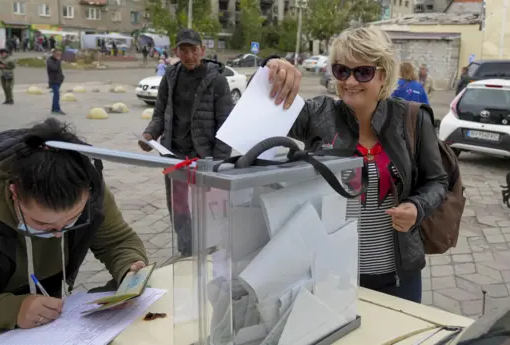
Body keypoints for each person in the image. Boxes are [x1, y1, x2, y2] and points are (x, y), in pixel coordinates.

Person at [257, 25, 448, 303]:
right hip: (330, 273)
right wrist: (272, 68)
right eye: (342, 70)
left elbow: (437, 181)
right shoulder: (317, 114)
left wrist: (418, 207)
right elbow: (263, 106)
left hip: (397, 275)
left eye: (363, 72)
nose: (350, 81)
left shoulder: (412, 118)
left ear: (383, 74)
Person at [0, 118, 148, 340]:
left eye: (72, 220)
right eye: (42, 225)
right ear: (14, 193)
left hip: (47, 323)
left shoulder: (85, 188)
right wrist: (10, 310)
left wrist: (129, 268)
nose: (59, 233)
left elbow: (117, 241)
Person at [139, 28, 234, 257]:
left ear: (202, 50)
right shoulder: (170, 77)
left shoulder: (217, 81)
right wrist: (150, 134)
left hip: (204, 159)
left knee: (205, 208)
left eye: (194, 50)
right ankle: (186, 251)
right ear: (176, 51)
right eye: (184, 50)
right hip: (174, 155)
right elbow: (160, 113)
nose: (189, 56)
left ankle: (209, 251)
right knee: (179, 208)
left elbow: (226, 125)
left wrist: (217, 163)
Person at [47, 49, 65, 115]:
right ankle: (57, 109)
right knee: (56, 95)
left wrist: (62, 77)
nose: (59, 56)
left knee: (56, 95)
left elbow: (59, 70)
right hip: (53, 80)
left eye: (60, 54)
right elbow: (54, 68)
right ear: (54, 54)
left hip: (58, 80)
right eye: (58, 54)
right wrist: (57, 60)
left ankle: (54, 109)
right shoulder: (50, 60)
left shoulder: (57, 61)